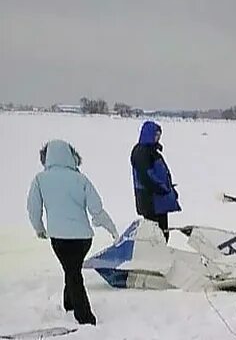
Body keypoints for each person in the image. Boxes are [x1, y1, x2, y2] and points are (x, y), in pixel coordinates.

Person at [26, 140, 118, 326]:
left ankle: (85, 318)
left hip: (59, 239)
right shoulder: (81, 179)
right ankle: (69, 304)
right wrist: (112, 229)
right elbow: (97, 209)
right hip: (83, 239)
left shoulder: (40, 180)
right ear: (71, 156)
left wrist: (39, 228)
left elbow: (33, 209)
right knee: (72, 270)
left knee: (73, 272)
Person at [131, 120, 180, 241]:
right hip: (150, 202)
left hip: (159, 202)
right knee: (155, 236)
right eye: (156, 134)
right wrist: (162, 188)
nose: (158, 137)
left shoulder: (152, 151)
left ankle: (161, 255)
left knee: (163, 233)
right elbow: (146, 176)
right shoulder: (142, 152)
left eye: (159, 135)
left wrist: (170, 191)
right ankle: (154, 258)